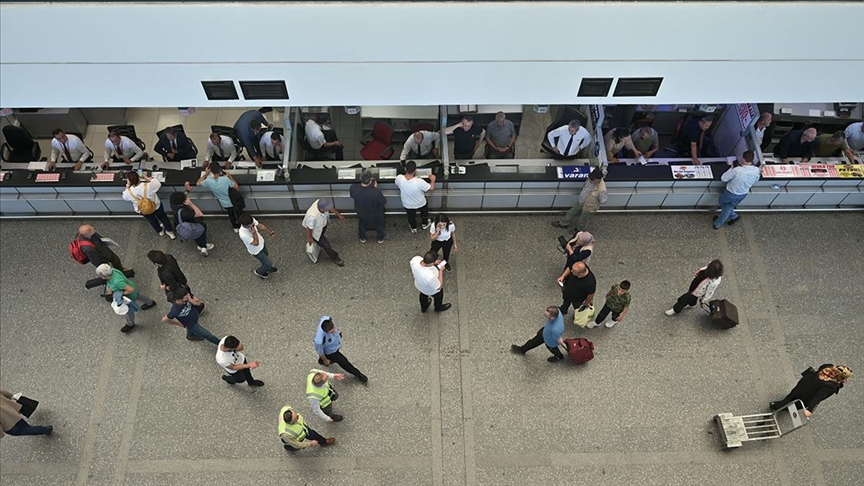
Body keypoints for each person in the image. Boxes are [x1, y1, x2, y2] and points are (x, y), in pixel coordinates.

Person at [770, 364, 852, 417]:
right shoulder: (831, 387)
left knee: (792, 395)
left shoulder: (828, 366)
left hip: (804, 383)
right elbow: (818, 397)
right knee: (796, 404)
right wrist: (809, 410)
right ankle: (776, 406)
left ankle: (781, 404)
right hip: (808, 395)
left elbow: (820, 367)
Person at [98, 263, 156, 333]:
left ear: (105, 275)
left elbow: (131, 290)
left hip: (129, 295)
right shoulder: (113, 270)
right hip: (130, 285)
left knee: (128, 311)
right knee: (138, 296)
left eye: (100, 274)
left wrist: (120, 294)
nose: (100, 276)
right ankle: (150, 302)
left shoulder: (117, 282)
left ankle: (130, 324)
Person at [187, 162, 241, 232]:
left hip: (225, 203)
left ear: (211, 171)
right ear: (220, 170)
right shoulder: (225, 179)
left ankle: (235, 228)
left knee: (231, 214)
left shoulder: (209, 180)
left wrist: (206, 173)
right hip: (235, 201)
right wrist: (230, 176)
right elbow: (237, 187)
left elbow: (198, 183)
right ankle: (241, 226)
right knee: (239, 213)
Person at [713, 150, 761, 229]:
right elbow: (756, 180)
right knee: (729, 206)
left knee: (726, 207)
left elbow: (723, 178)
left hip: (731, 193)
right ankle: (734, 217)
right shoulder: (756, 170)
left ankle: (717, 224)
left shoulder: (737, 170)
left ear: (743, 159)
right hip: (743, 193)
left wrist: (731, 168)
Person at [122, 171, 176, 239]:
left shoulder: (128, 192)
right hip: (156, 206)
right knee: (163, 217)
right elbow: (157, 184)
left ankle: (160, 231)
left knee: (152, 220)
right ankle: (170, 232)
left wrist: (127, 186)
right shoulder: (148, 186)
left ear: (129, 182)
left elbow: (124, 197)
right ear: (139, 178)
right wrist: (145, 177)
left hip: (143, 210)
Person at [314, 316, 368, 383]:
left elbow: (324, 319)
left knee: (328, 360)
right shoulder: (319, 341)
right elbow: (320, 352)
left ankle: (322, 361)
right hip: (332, 353)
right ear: (326, 332)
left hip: (335, 346)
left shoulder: (325, 319)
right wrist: (325, 360)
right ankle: (358, 374)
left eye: (333, 327)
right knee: (345, 363)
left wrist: (338, 333)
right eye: (331, 331)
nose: (334, 330)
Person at [395, 160, 437, 233]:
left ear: (405, 169)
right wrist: (433, 180)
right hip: (420, 203)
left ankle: (413, 228)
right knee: (424, 214)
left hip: (407, 204)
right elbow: (431, 188)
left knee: (411, 216)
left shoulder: (399, 178)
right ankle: (424, 224)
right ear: (415, 170)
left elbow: (397, 184)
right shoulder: (419, 181)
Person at [302, 198, 346, 267]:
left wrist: (338, 215)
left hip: (321, 225)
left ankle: (318, 241)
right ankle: (335, 258)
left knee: (322, 236)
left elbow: (332, 208)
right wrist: (310, 238)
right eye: (328, 208)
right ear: (322, 209)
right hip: (316, 231)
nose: (330, 209)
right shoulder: (312, 216)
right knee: (326, 245)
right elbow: (309, 228)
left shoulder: (320, 203)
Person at [169, 191, 214, 256]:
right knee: (200, 234)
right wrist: (191, 204)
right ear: (182, 202)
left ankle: (200, 245)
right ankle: (203, 246)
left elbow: (180, 197)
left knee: (195, 235)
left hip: (181, 224)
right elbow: (200, 214)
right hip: (194, 224)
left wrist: (187, 191)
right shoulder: (185, 213)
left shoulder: (173, 205)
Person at [349, 170, 386, 243]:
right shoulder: (375, 192)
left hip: (361, 211)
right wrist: (375, 188)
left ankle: (362, 238)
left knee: (362, 224)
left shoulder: (353, 188)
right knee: (379, 225)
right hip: (375, 213)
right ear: (371, 181)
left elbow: (352, 195)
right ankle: (380, 238)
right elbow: (383, 201)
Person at [238, 213, 278, 279]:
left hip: (262, 243)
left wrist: (271, 233)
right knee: (268, 263)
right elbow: (256, 243)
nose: (252, 226)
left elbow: (261, 226)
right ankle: (260, 271)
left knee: (266, 255)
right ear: (245, 225)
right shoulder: (243, 234)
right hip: (256, 251)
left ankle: (267, 268)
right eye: (250, 225)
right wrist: (254, 233)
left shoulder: (250, 221)